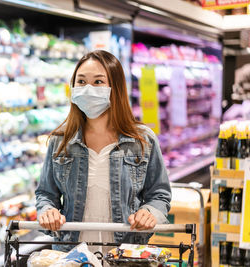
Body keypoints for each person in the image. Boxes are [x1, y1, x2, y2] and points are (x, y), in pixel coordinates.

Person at [35, 50, 171, 254]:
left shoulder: (142, 140)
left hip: (125, 253)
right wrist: (48, 211)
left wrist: (149, 213)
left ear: (114, 88)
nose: (88, 89)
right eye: (81, 82)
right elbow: (46, 194)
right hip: (70, 254)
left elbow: (159, 194)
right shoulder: (61, 141)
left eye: (98, 82)